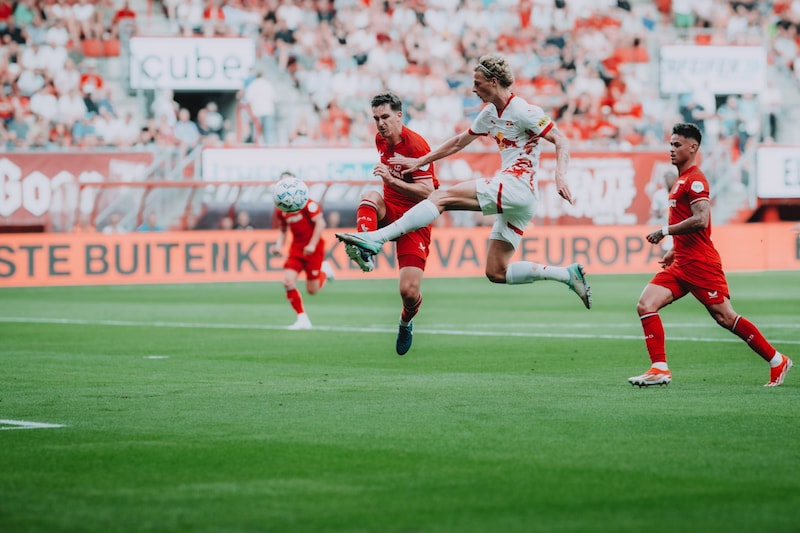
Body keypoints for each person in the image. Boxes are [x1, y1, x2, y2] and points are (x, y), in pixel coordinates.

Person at [336, 53, 592, 312]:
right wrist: (420, 161)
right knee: (496, 271)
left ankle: (377, 238)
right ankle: (567, 275)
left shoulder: (524, 111)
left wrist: (560, 174)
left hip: (517, 186)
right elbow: (459, 142)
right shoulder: (491, 113)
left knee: (440, 197)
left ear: (493, 81)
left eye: (477, 82)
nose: (473, 88)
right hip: (521, 201)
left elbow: (561, 140)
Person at [628, 122, 792, 388]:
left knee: (725, 317)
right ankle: (659, 368)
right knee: (646, 304)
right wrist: (673, 249)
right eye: (670, 144)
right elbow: (690, 223)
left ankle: (777, 360)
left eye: (677, 145)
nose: (671, 149)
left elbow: (701, 219)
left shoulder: (694, 181)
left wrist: (665, 231)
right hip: (682, 261)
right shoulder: (680, 180)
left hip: (700, 263)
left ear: (693, 147)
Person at [346, 91, 439, 355]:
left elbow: (429, 192)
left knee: (408, 292)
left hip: (416, 219)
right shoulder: (381, 140)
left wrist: (392, 181)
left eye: (385, 117)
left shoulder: (416, 146)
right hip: (390, 210)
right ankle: (365, 248)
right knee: (369, 196)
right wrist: (389, 185)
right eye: (376, 118)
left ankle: (406, 322)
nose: (380, 124)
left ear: (400, 116)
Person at [271, 172, 334, 330]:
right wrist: (279, 245)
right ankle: (302, 318)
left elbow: (320, 224)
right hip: (297, 249)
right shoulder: (281, 209)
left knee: (312, 290)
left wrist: (312, 245)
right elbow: (283, 231)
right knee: (287, 281)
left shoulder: (307, 203)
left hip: (314, 248)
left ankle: (324, 271)